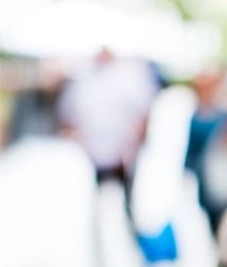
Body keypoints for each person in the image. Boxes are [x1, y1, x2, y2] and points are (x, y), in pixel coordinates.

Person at [58, 45, 159, 238]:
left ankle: (131, 237)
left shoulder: (127, 79)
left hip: (122, 154)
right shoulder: (85, 82)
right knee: (96, 203)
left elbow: (142, 116)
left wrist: (132, 147)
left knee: (127, 203)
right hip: (94, 154)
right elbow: (68, 117)